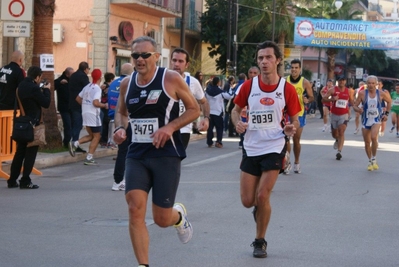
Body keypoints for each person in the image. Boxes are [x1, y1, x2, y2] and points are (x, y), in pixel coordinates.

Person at [113, 36, 199, 267]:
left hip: (165, 154)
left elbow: (194, 109)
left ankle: (178, 216)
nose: (139, 59)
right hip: (137, 154)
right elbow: (121, 112)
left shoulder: (170, 78)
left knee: (162, 219)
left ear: (156, 57)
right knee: (134, 208)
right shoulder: (126, 83)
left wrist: (170, 127)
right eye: (135, 56)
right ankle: (143, 265)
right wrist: (120, 128)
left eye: (145, 55)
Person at [231, 41, 300, 258]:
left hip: (274, 145)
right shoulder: (248, 86)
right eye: (260, 58)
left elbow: (295, 120)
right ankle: (259, 211)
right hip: (251, 146)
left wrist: (291, 128)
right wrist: (237, 123)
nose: (264, 62)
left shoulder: (286, 89)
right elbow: (235, 110)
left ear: (278, 60)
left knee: (263, 196)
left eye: (268, 57)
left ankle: (259, 241)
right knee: (247, 201)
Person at [7, 66, 51, 189]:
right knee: (30, 153)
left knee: (19, 153)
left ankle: (12, 180)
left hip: (22, 122)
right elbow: (46, 103)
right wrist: (47, 90)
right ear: (37, 77)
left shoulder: (20, 86)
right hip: (33, 125)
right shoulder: (34, 88)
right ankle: (25, 180)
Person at [170, 48, 210, 149]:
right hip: (165, 128)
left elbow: (204, 102)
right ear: (170, 62)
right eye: (174, 60)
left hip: (183, 130)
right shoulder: (163, 80)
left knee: (174, 159)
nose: (177, 64)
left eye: (180, 61)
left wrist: (206, 118)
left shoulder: (192, 82)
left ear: (187, 64)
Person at [68, 69, 107, 165]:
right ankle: (89, 158)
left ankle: (75, 143)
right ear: (100, 77)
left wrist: (85, 105)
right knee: (97, 136)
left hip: (85, 113)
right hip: (94, 114)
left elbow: (77, 98)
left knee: (91, 136)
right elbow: (96, 103)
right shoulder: (97, 89)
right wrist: (104, 105)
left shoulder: (87, 86)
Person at [353, 75, 391, 171]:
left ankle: (374, 158)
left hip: (376, 119)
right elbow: (355, 105)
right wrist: (358, 109)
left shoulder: (381, 93)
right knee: (367, 143)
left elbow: (389, 102)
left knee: (374, 137)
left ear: (376, 84)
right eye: (369, 83)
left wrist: (386, 114)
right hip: (366, 120)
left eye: (373, 83)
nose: (371, 85)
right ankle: (370, 160)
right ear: (366, 84)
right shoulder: (362, 93)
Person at [108, 63, 134, 191]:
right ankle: (119, 181)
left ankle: (120, 180)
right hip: (127, 122)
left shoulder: (113, 83)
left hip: (115, 119)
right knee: (126, 152)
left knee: (123, 151)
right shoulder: (129, 82)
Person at [285, 59, 314, 174]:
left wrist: (307, 99)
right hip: (286, 114)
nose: (294, 69)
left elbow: (312, 97)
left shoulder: (304, 82)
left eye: (296, 67)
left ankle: (297, 162)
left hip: (299, 114)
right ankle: (287, 163)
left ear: (300, 69)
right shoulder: (285, 81)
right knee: (286, 140)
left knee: (296, 140)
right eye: (292, 67)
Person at [322, 76, 354, 160]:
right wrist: (332, 99)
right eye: (340, 80)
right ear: (337, 81)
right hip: (334, 114)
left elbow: (351, 101)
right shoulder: (332, 90)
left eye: (343, 80)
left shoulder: (348, 91)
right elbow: (323, 99)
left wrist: (357, 107)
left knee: (341, 131)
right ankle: (337, 140)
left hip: (344, 114)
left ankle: (339, 151)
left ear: (345, 81)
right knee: (334, 134)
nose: (341, 82)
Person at [234, 66, 260, 149]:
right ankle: (243, 143)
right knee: (245, 131)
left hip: (258, 116)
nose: (252, 75)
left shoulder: (263, 85)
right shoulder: (243, 86)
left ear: (259, 74)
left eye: (255, 73)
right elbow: (236, 101)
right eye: (251, 73)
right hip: (245, 114)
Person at [205, 76, 233, 148]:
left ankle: (209, 142)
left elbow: (204, 99)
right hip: (218, 112)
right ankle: (218, 142)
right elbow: (230, 96)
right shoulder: (220, 92)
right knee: (219, 128)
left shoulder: (207, 91)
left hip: (209, 112)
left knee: (210, 128)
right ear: (218, 83)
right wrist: (231, 89)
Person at [68, 61, 90, 153]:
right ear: (85, 69)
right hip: (79, 104)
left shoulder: (73, 75)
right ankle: (74, 144)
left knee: (75, 124)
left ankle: (73, 142)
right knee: (78, 124)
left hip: (71, 103)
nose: (89, 71)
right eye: (88, 69)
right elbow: (88, 89)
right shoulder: (83, 76)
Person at [54, 67, 74, 148]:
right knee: (67, 125)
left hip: (72, 107)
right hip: (64, 107)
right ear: (67, 74)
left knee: (73, 125)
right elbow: (53, 85)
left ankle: (71, 142)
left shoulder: (73, 81)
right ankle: (66, 143)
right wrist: (60, 82)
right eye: (71, 74)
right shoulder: (60, 80)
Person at [100, 72, 115, 147]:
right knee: (107, 124)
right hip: (107, 106)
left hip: (102, 106)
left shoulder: (102, 86)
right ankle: (105, 140)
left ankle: (103, 140)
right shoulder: (109, 86)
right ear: (111, 79)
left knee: (104, 124)